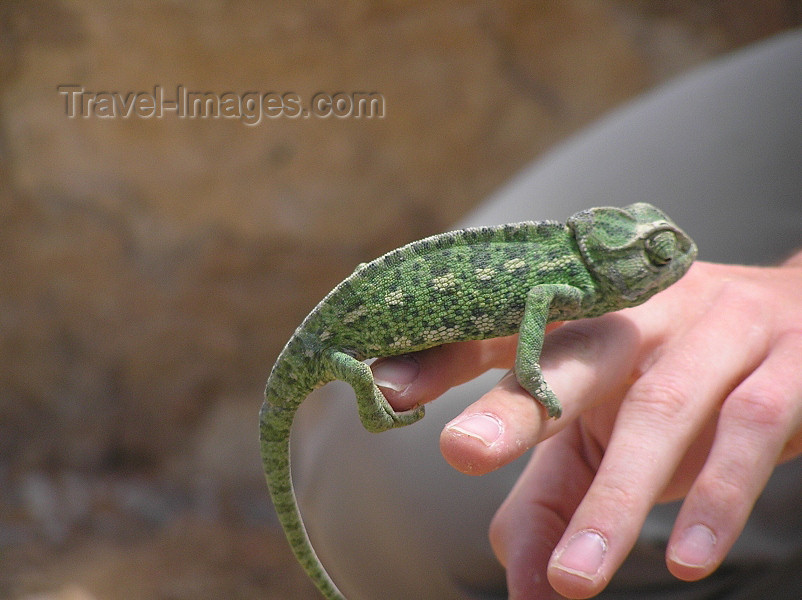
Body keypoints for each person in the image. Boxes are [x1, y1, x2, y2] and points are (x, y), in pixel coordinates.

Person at [292, 30, 802, 599]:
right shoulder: (580, 281)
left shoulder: (584, 284)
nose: (678, 259)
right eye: (653, 253)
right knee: (384, 484)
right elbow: (539, 297)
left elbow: (540, 299)